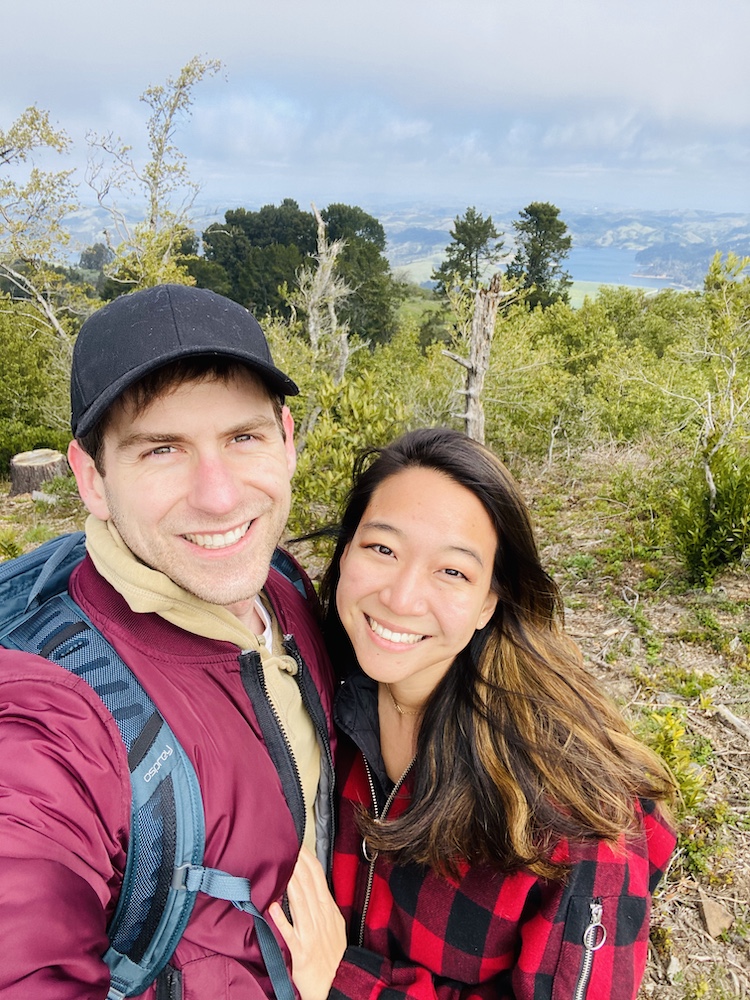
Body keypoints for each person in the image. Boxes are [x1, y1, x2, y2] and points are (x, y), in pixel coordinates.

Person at [0, 284, 336, 999]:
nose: (218, 496)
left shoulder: (283, 587)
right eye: (162, 449)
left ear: (286, 439)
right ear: (92, 477)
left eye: (242, 437)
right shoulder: (52, 711)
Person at [271, 426, 677, 1000]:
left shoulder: (575, 820)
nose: (402, 597)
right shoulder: (311, 691)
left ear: (489, 601)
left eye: (453, 571)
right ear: (346, 553)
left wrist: (345, 983)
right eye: (382, 549)